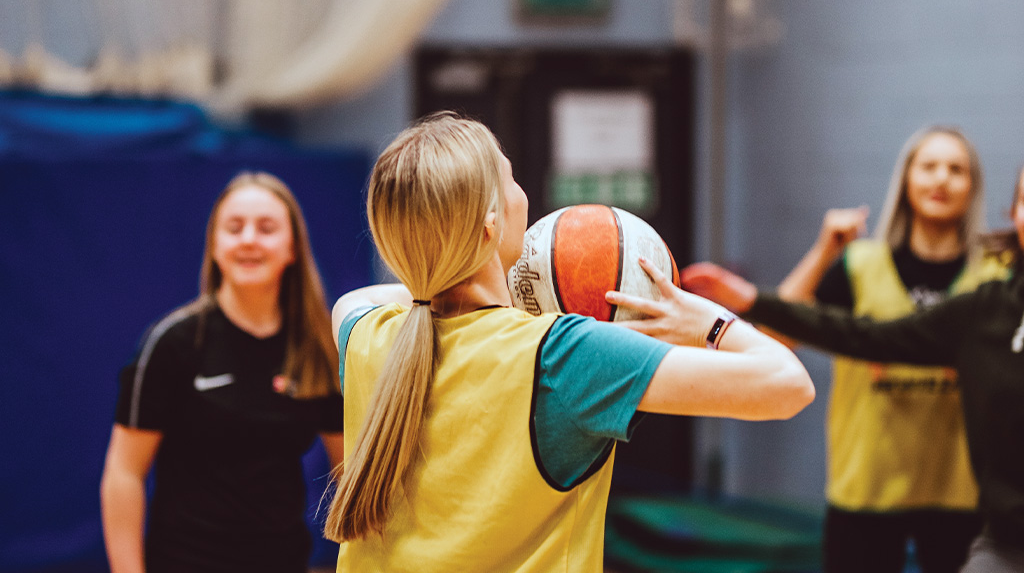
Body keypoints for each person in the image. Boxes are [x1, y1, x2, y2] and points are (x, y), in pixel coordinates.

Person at [321, 112, 814, 572]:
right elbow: (788, 385)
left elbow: (362, 298)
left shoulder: (364, 332)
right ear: (490, 225)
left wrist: (464, 277)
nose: (522, 194)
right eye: (511, 180)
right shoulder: (561, 353)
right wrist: (708, 322)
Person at [651, 168, 1024, 572]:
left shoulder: (986, 271)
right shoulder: (983, 309)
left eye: (955, 169)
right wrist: (751, 302)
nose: (941, 180)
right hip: (892, 493)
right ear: (1013, 212)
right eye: (928, 167)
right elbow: (857, 335)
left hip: (956, 499)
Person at [99, 172, 345, 573]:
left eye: (266, 228)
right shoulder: (171, 343)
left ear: (292, 249)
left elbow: (349, 471)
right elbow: (124, 473)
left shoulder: (316, 348)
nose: (249, 238)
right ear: (215, 246)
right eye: (234, 228)